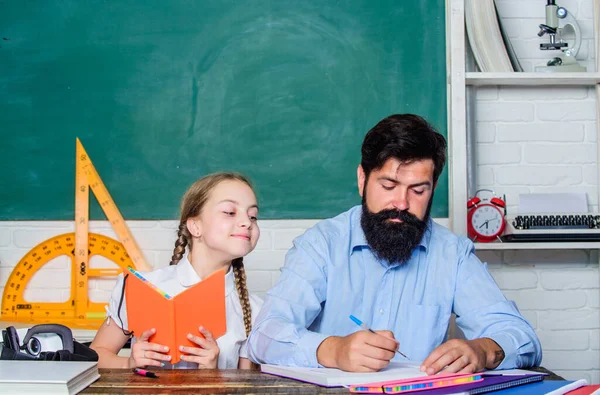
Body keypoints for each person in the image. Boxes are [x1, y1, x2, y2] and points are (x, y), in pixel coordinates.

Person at [247, 114, 542, 374]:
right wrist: (332, 351)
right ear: (363, 179)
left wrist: (483, 350)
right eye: (388, 186)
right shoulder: (322, 245)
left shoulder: (453, 254)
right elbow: (264, 337)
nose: (401, 203)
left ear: (433, 188)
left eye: (418, 190)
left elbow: (522, 338)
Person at [91, 172, 263, 369]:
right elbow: (98, 354)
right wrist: (129, 363)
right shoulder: (140, 288)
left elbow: (248, 385)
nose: (247, 222)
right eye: (230, 212)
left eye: (253, 216)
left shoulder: (256, 310)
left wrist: (213, 373)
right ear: (195, 226)